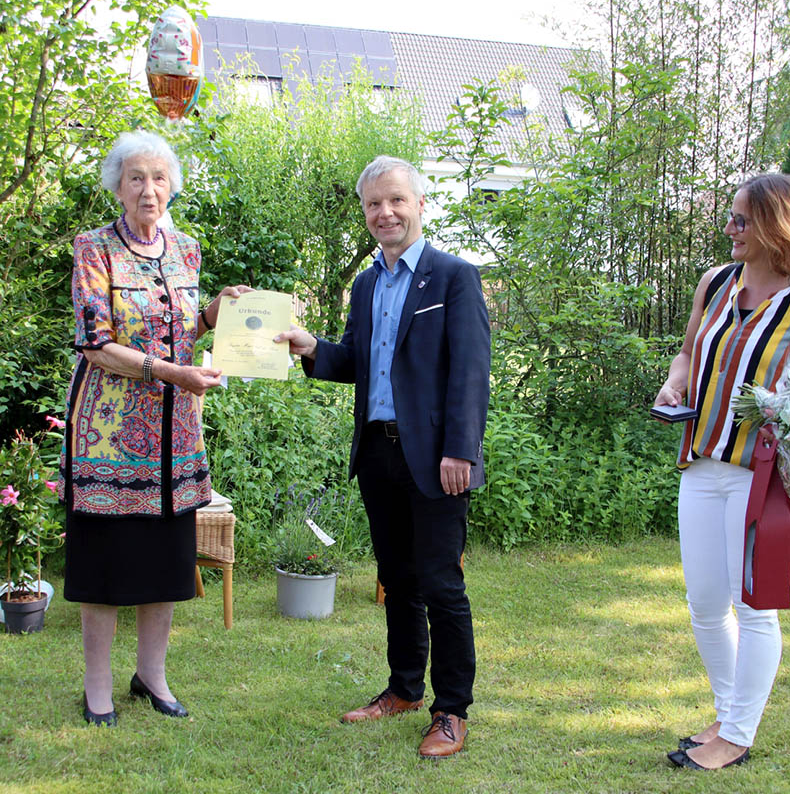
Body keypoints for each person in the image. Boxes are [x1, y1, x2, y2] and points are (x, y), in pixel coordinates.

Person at [276, 156, 491, 758]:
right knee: (397, 581)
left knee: (441, 583)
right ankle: (403, 689)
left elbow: (471, 374)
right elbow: (359, 362)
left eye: (396, 200)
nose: (385, 213)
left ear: (420, 205)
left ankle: (451, 710)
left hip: (436, 458)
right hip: (377, 453)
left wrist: (461, 451)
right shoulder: (367, 283)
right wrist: (312, 347)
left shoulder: (454, 277)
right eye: (374, 204)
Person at [654, 173, 790, 769]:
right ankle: (725, 713)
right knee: (706, 603)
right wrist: (674, 382)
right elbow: (689, 352)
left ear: (778, 227)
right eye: (733, 218)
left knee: (753, 604)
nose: (731, 229)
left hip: (767, 478)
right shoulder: (715, 284)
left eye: (742, 220)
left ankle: (737, 735)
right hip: (702, 461)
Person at [59, 130, 249, 726]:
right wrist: (170, 372)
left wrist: (223, 309)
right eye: (136, 177)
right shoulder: (94, 248)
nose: (148, 189)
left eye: (159, 177)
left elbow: (188, 328)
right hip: (109, 435)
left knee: (166, 563)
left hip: (175, 435)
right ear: (118, 184)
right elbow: (95, 344)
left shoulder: (186, 249)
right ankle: (97, 689)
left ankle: (152, 676)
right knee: (106, 565)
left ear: (173, 186)